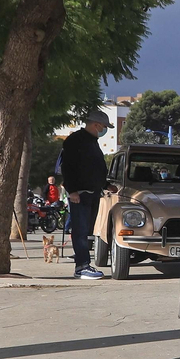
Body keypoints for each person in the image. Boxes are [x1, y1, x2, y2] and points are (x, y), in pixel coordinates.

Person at [60, 111, 110, 279]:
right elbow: (67, 167)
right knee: (80, 231)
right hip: (79, 193)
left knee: (87, 231)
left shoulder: (92, 142)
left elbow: (94, 169)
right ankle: (82, 267)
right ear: (96, 125)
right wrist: (72, 190)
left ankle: (83, 262)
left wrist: (106, 185)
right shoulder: (76, 141)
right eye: (104, 127)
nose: (104, 130)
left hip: (92, 192)